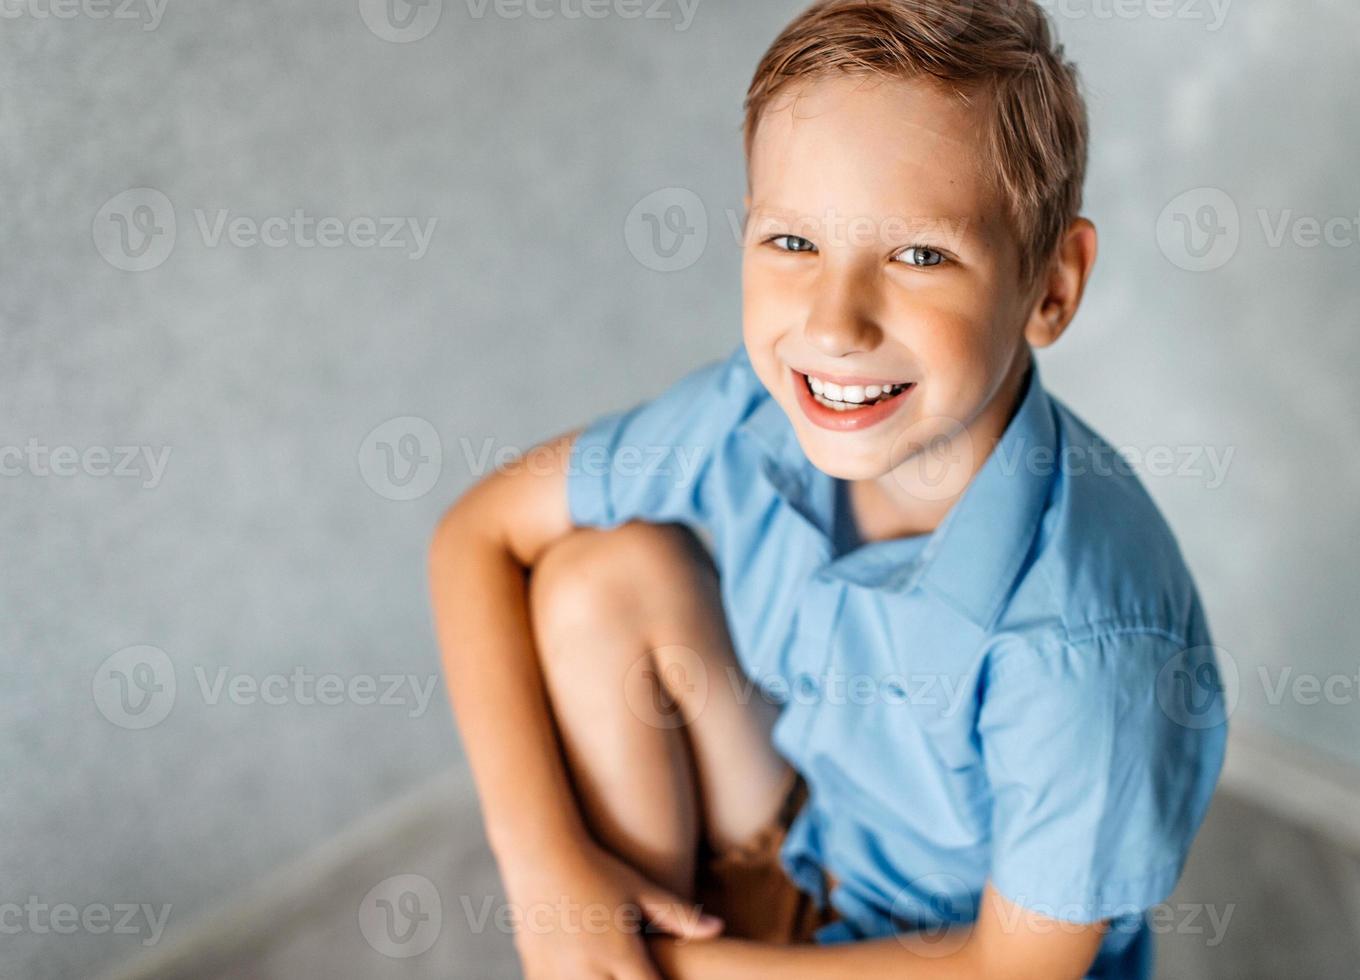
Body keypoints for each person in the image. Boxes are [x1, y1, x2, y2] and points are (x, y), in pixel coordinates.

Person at [429, 1, 1228, 976]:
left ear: (1052, 286)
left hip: (951, 955)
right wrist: (549, 868)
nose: (834, 324)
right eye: (793, 243)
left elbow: (1007, 970)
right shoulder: (755, 411)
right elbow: (476, 533)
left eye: (920, 254)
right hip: (819, 841)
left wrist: (641, 964)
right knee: (598, 577)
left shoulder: (1088, 642)